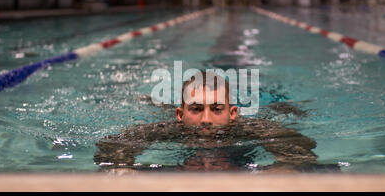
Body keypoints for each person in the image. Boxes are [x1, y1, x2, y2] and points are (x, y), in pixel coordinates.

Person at [94, 71, 338, 174]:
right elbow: (112, 147)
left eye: (217, 109)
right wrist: (123, 170)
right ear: (180, 116)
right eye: (197, 110)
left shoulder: (253, 128)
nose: (207, 120)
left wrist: (281, 171)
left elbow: (301, 152)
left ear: (233, 113)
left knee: (283, 109)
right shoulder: (164, 129)